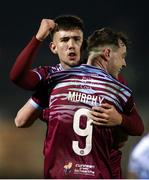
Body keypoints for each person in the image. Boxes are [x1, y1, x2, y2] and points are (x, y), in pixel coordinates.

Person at [14, 27, 144, 178]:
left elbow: (20, 119)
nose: (124, 63)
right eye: (122, 56)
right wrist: (120, 120)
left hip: (63, 173)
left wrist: (55, 113)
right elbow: (137, 127)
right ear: (107, 53)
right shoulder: (117, 87)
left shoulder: (58, 77)